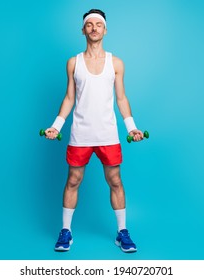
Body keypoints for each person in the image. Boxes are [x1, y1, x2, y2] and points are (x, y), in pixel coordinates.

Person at [43, 9, 144, 253]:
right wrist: (56, 126)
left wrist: (131, 127)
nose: (94, 28)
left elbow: (121, 98)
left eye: (99, 24)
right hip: (81, 133)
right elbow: (69, 97)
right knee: (73, 180)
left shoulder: (116, 63)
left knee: (115, 181)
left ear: (105, 30)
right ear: (83, 30)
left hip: (108, 134)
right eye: (90, 25)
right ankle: (65, 232)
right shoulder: (73, 62)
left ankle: (122, 233)